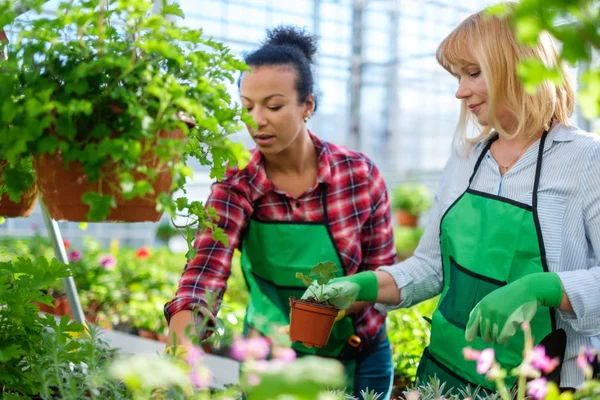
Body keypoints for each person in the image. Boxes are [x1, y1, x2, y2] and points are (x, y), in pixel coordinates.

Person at [305, 4, 600, 392]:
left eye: (473, 73)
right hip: (449, 377)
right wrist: (363, 286)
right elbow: (431, 267)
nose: (460, 91)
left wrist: (542, 287)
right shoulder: (465, 159)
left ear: (518, 65)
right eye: (458, 76)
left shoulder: (585, 159)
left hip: (549, 384)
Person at [164, 25, 396, 398]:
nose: (257, 119)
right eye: (247, 107)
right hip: (270, 357)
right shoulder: (236, 184)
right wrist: (178, 353)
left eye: (273, 106)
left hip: (356, 353)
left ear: (308, 106)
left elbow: (383, 275)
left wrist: (332, 304)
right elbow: (205, 272)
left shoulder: (358, 175)